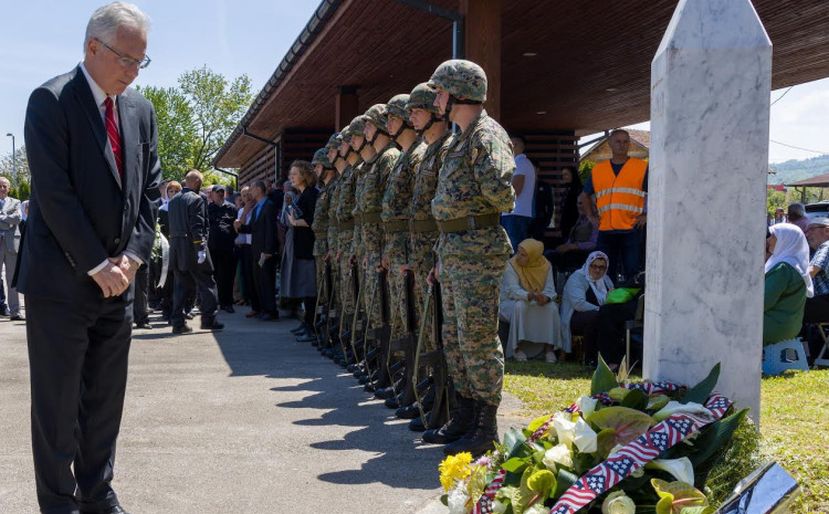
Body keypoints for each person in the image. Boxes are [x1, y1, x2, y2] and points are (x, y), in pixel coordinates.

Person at [19, 4, 161, 512]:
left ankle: (98, 494)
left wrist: (133, 259)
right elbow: (55, 196)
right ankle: (58, 503)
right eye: (126, 58)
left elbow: (148, 195)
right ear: (92, 48)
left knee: (104, 403)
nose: (132, 70)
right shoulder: (51, 101)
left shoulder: (141, 110)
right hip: (61, 284)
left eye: (141, 61)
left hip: (119, 283)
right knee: (57, 405)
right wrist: (98, 265)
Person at [423, 59, 516, 457]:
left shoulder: (485, 134)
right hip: (457, 251)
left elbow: (502, 193)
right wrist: (441, 256)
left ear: (461, 92)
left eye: (441, 91)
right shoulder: (460, 137)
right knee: (456, 339)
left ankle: (486, 424)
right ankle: (464, 416)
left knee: (477, 339)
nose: (437, 98)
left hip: (477, 251)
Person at [583, 129, 647, 281]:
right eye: (618, 141)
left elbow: (657, 193)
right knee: (604, 273)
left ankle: (632, 304)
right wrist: (591, 216)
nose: (622, 145)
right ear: (610, 143)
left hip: (631, 228)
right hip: (606, 230)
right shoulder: (598, 170)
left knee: (632, 272)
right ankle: (605, 303)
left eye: (625, 141)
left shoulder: (641, 167)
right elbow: (584, 195)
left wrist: (647, 215)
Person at [167, 170, 223, 334]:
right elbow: (197, 225)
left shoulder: (174, 200)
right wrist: (200, 248)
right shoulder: (197, 199)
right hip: (192, 247)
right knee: (207, 282)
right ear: (197, 182)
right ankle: (208, 319)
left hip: (177, 247)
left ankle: (177, 322)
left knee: (180, 285)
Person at [498, 239, 560, 363]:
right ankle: (517, 348)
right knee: (521, 306)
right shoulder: (511, 265)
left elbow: (550, 289)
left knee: (552, 307)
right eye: (518, 252)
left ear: (533, 256)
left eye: (523, 255)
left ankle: (549, 350)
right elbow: (512, 290)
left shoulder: (545, 265)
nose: (518, 257)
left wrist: (546, 298)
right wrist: (530, 295)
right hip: (510, 302)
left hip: (534, 299)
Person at [282, 160, 319, 335]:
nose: (291, 177)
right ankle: (306, 323)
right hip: (301, 246)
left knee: (309, 288)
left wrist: (295, 222)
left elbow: (313, 220)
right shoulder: (301, 195)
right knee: (304, 288)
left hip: (308, 247)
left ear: (304, 175)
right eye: (291, 174)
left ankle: (311, 326)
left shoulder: (311, 194)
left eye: (295, 174)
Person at [235, 180, 279, 320]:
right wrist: (240, 227)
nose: (250, 192)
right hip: (255, 249)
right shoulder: (256, 208)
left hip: (265, 251)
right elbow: (254, 228)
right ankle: (262, 309)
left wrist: (268, 250)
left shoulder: (269, 206)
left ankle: (271, 311)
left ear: (259, 190)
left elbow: (271, 230)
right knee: (258, 281)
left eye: (252, 189)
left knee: (267, 281)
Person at [764, 223, 811, 345]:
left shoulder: (783, 268)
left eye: (772, 236)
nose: (768, 240)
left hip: (772, 327)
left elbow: (762, 302)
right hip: (790, 328)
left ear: (785, 239)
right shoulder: (796, 265)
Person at [560, 251, 614, 359]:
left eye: (602, 267)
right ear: (588, 264)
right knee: (598, 318)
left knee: (610, 319)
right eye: (594, 266)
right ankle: (592, 358)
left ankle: (612, 358)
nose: (597, 270)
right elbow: (578, 304)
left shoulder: (606, 280)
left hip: (599, 315)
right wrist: (600, 310)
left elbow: (612, 298)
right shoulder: (577, 278)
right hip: (575, 316)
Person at [545, 194, 598, 273]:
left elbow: (594, 244)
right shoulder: (580, 219)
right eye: (578, 203)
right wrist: (566, 246)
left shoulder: (596, 221)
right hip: (573, 250)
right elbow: (572, 237)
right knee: (549, 253)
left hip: (584, 253)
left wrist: (573, 246)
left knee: (568, 257)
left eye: (581, 203)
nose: (578, 206)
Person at [500, 135, 535, 252]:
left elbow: (515, 189)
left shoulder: (520, 163)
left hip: (515, 214)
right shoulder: (519, 163)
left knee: (514, 251)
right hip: (514, 214)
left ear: (517, 146)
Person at [207, 184, 238, 313]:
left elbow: (236, 227)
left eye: (222, 192)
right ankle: (213, 303)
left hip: (228, 247)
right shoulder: (208, 209)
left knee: (228, 276)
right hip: (212, 248)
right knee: (213, 277)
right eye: (217, 192)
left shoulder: (231, 208)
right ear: (212, 194)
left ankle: (227, 303)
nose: (220, 194)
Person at [0, 176, 22, 320]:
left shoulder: (16, 202)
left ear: (9, 188)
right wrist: (8, 219)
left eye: (4, 186)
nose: (2, 189)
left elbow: (18, 218)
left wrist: (1, 217)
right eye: (0, 186)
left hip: (11, 245)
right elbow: (12, 220)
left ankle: (15, 312)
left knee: (12, 279)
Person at [557, 165, 582, 242]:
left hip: (576, 226)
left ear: (573, 174)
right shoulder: (567, 189)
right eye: (563, 175)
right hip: (566, 226)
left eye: (566, 174)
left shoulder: (579, 189)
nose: (564, 177)